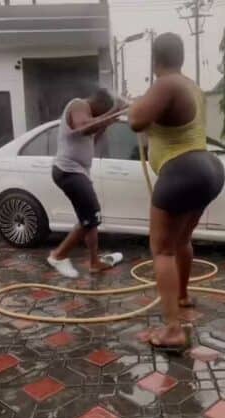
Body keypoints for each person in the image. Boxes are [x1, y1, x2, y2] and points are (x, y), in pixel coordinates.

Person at [128, 32, 224, 348]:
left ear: (155, 60)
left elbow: (136, 121)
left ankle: (172, 330)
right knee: (181, 240)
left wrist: (133, 106)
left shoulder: (165, 83)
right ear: (180, 57)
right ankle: (182, 297)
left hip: (182, 170)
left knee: (162, 249)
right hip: (208, 169)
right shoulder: (191, 86)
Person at [47, 88, 127, 278]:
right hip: (68, 170)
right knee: (92, 216)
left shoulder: (88, 114)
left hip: (78, 171)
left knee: (89, 220)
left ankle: (94, 262)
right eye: (100, 112)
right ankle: (58, 256)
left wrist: (108, 122)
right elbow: (83, 127)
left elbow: (91, 135)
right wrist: (113, 111)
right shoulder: (78, 104)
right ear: (98, 104)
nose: (98, 116)